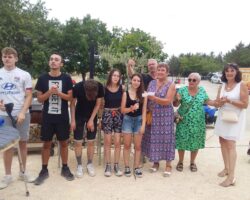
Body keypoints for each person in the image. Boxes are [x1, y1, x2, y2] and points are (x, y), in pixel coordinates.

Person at [34, 53, 74, 185]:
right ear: (49, 62)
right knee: (46, 144)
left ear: (61, 64)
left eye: (56, 60)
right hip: (47, 117)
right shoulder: (42, 79)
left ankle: (65, 167)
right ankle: (44, 170)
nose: (53, 61)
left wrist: (58, 93)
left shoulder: (67, 78)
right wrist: (49, 93)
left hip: (62, 117)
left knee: (64, 143)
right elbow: (39, 99)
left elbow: (70, 98)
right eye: (51, 59)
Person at [0, 47, 34, 189]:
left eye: (10, 56)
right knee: (7, 145)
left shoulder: (24, 74)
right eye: (5, 56)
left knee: (23, 143)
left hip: (21, 114)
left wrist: (22, 112)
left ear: (16, 58)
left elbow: (29, 95)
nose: (7, 59)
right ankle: (7, 176)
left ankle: (23, 172)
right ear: (2, 58)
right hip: (3, 115)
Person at [174, 72, 217, 173]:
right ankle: (180, 162)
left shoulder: (202, 90)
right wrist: (176, 98)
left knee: (195, 142)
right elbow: (176, 104)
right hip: (183, 120)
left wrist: (216, 102)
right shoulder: (182, 90)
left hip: (198, 122)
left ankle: (192, 162)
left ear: (198, 81)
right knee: (181, 141)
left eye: (194, 80)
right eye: (189, 80)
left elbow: (208, 101)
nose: (191, 82)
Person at [214, 63, 248, 187]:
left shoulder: (241, 85)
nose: (229, 73)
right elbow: (217, 103)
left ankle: (231, 177)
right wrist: (219, 103)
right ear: (224, 73)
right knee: (222, 141)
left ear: (236, 72)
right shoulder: (222, 86)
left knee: (230, 144)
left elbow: (245, 104)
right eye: (227, 71)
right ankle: (226, 168)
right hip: (223, 117)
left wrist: (229, 101)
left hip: (234, 119)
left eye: (232, 71)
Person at [142, 63, 176, 177]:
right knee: (153, 138)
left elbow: (168, 101)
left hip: (165, 115)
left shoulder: (171, 85)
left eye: (163, 70)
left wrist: (154, 98)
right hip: (152, 114)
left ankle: (168, 164)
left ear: (167, 72)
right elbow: (146, 97)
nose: (160, 72)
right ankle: (155, 162)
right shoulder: (151, 82)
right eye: (159, 70)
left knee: (166, 139)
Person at [70, 79, 104, 177]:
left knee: (91, 141)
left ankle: (89, 164)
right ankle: (79, 165)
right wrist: (72, 120)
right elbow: (72, 104)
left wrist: (91, 120)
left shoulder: (100, 86)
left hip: (91, 114)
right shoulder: (77, 87)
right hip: (79, 114)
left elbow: (98, 104)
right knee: (78, 142)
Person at [121, 73, 147, 178]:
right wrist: (131, 109)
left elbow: (144, 110)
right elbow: (122, 110)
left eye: (138, 81)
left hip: (139, 120)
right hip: (127, 120)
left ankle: (136, 167)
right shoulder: (125, 94)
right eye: (134, 80)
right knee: (127, 145)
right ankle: (127, 166)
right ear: (131, 81)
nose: (136, 82)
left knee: (138, 146)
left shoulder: (144, 94)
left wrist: (143, 125)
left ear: (141, 83)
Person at [102, 69, 124, 177]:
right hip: (107, 114)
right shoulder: (104, 89)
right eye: (114, 75)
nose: (115, 77)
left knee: (117, 142)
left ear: (119, 78)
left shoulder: (122, 89)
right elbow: (100, 104)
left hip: (119, 115)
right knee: (107, 142)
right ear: (110, 76)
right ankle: (108, 165)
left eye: (118, 76)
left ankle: (116, 165)